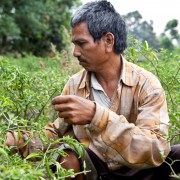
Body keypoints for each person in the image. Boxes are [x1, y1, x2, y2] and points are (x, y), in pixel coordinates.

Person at [6, 0, 180, 179]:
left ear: (108, 41)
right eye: (75, 44)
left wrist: (97, 117)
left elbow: (154, 149)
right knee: (68, 156)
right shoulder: (75, 85)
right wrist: (19, 140)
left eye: (81, 43)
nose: (75, 52)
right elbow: (56, 133)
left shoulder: (146, 84)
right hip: (98, 170)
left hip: (143, 172)